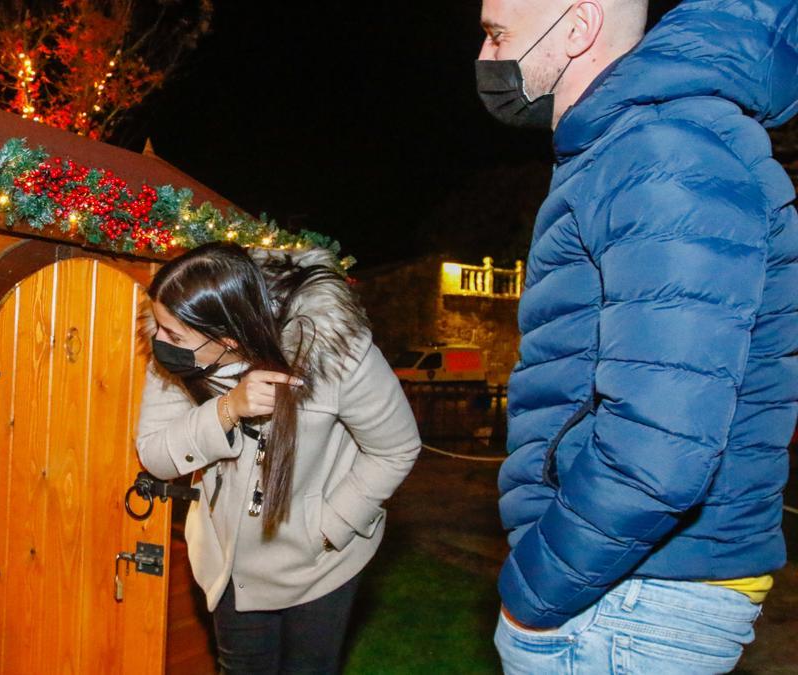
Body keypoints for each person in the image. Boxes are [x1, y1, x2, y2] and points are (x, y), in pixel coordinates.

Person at [475, 0, 798, 672]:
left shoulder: (662, 149)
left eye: (496, 35)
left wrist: (532, 591)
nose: (485, 60)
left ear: (576, 27)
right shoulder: (637, 144)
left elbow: (661, 450)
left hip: (627, 603)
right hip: (627, 592)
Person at [136, 242, 421, 673]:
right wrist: (228, 407)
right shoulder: (177, 354)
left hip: (321, 564)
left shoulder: (333, 350)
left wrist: (329, 527)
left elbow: (395, 447)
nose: (159, 341)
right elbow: (157, 455)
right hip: (229, 564)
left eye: (173, 335)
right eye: (158, 326)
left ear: (227, 339)